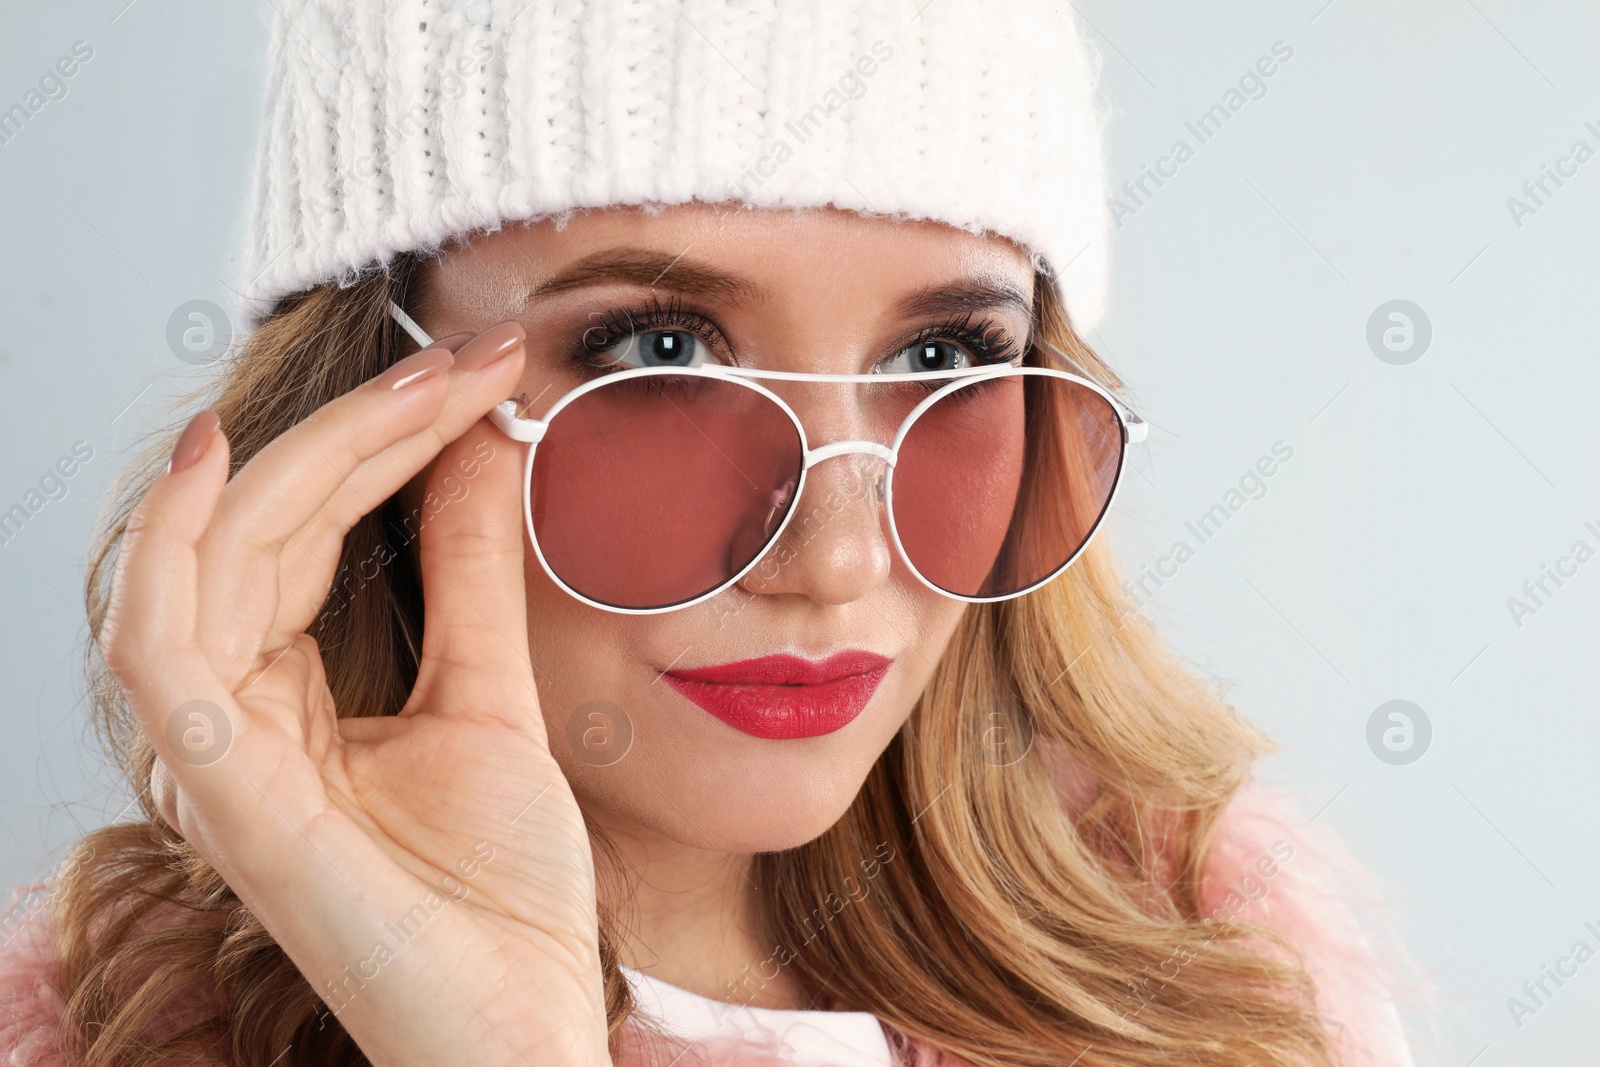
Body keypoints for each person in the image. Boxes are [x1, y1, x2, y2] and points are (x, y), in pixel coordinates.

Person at [0, 1, 1417, 1064]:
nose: (838, 557)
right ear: (370, 407)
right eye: (660, 351)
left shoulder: (1224, 988)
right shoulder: (116, 1033)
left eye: (944, 361)